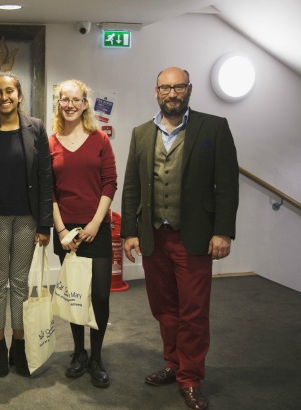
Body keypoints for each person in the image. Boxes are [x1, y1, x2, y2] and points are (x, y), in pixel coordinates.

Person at [121, 67, 239, 410]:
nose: (172, 94)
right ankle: (173, 363)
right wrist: (130, 231)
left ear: (188, 89)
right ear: (155, 91)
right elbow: (132, 187)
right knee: (164, 309)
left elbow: (227, 185)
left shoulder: (213, 128)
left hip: (196, 239)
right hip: (154, 237)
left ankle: (190, 377)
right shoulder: (141, 133)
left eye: (178, 88)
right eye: (165, 88)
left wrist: (223, 230)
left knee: (194, 312)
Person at [0, 72, 53, 377]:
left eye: (9, 91)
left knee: (19, 284)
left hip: (27, 219)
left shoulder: (37, 128)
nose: (4, 97)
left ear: (19, 95)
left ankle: (19, 345)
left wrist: (44, 224)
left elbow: (46, 178)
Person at [49, 79, 117, 388]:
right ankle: (79, 352)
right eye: (65, 99)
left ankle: (97, 357)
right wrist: (61, 229)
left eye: (76, 99)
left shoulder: (100, 139)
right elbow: (48, 191)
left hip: (96, 229)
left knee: (100, 296)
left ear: (85, 103)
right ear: (59, 103)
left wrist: (94, 223)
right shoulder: (50, 143)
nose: (70, 104)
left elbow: (109, 183)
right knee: (75, 294)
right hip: (66, 232)